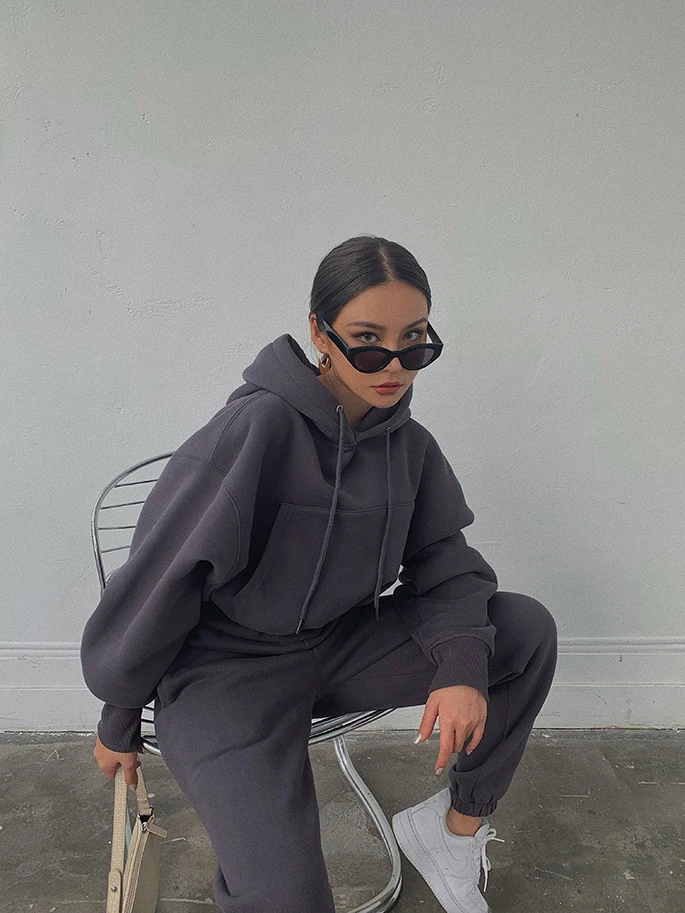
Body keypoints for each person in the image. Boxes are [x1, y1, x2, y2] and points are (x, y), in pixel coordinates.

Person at [80, 235, 558, 913]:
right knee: (286, 897)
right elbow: (162, 578)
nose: (393, 366)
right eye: (367, 341)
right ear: (318, 332)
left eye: (414, 342)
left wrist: (458, 664)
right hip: (225, 673)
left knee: (523, 630)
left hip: (338, 646)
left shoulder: (409, 446)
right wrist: (119, 713)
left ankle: (449, 834)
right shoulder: (255, 430)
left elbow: (445, 561)